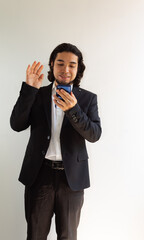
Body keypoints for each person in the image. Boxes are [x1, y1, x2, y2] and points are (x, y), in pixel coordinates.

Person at [10, 43, 102, 240]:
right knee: (35, 235)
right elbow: (16, 124)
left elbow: (94, 134)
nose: (66, 70)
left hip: (72, 180)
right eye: (60, 63)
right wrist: (29, 90)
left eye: (72, 65)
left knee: (68, 235)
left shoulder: (87, 99)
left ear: (78, 69)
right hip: (39, 174)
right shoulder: (37, 94)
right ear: (52, 65)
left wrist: (73, 110)